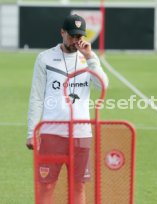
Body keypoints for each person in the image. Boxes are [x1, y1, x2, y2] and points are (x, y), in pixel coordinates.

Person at [26, 14, 109, 204]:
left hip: (81, 134)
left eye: (79, 36)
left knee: (78, 185)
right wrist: (32, 131)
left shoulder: (88, 58)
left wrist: (90, 57)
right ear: (62, 33)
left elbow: (102, 85)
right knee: (46, 185)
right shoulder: (44, 58)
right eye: (71, 36)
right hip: (51, 133)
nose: (75, 40)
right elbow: (36, 96)